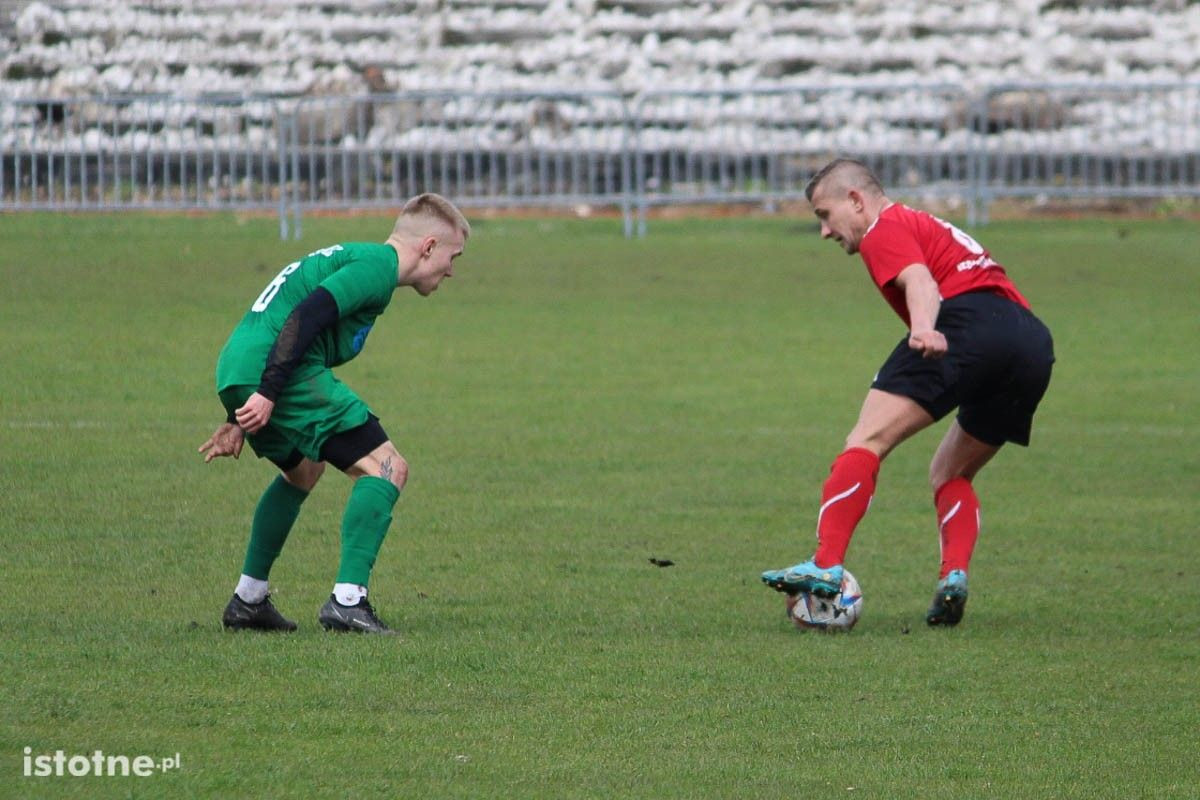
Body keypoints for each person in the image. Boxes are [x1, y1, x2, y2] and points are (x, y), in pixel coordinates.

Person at [761, 159, 1054, 626]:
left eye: (824, 214)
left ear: (856, 200)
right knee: (949, 472)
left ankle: (826, 563)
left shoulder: (883, 226)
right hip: (1029, 343)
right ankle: (953, 575)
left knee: (865, 441)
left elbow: (920, 279)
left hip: (964, 325)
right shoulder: (922, 223)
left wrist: (924, 329)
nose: (824, 232)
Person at [199, 193, 470, 634]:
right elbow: (306, 316)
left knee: (304, 470)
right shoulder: (376, 268)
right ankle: (348, 601)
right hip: (273, 372)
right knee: (387, 468)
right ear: (428, 246)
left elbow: (278, 316)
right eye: (453, 256)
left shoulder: (359, 259)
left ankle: (248, 599)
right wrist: (267, 393)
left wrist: (237, 414)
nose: (452, 270)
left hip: (241, 367)